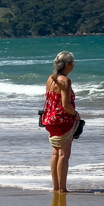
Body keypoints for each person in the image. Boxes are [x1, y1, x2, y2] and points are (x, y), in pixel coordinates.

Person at [43, 51, 80, 193]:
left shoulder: (50, 79)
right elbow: (66, 106)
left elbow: (50, 100)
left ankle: (56, 187)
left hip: (50, 119)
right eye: (73, 62)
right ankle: (63, 188)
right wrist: (76, 114)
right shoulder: (65, 81)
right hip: (62, 120)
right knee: (64, 155)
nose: (74, 65)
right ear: (68, 64)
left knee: (55, 154)